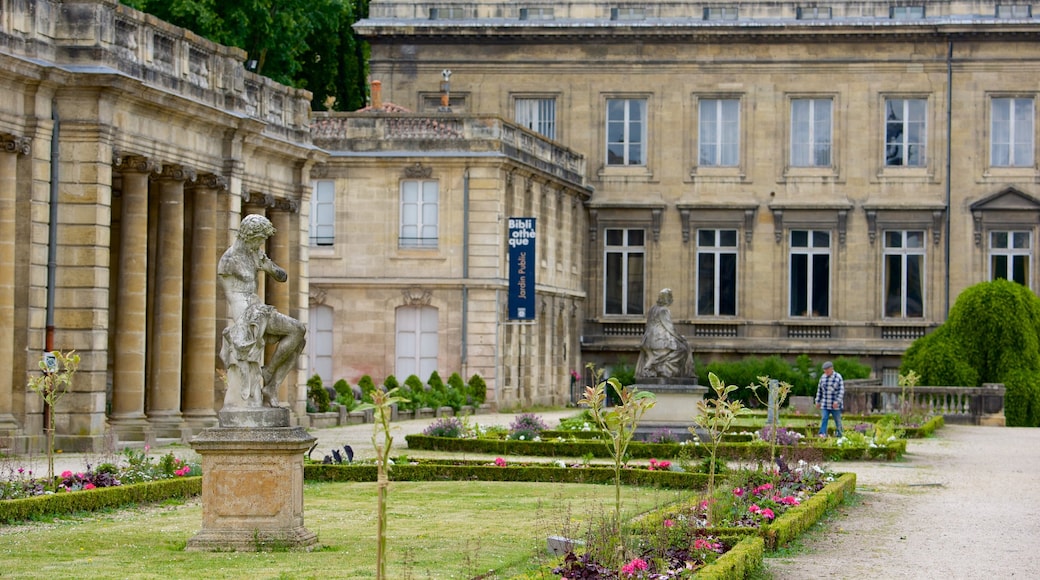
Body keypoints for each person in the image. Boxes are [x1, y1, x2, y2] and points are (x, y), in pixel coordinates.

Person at [218, 214, 306, 408]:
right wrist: (246, 319)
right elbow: (231, 295)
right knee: (296, 331)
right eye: (259, 239)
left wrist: (269, 267)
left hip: (258, 307)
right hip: (245, 312)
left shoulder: (254, 254)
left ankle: (270, 383)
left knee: (298, 335)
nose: (261, 243)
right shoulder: (229, 260)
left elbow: (282, 277)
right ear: (249, 236)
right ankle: (267, 378)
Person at [635, 288, 695, 379]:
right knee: (682, 349)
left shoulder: (653, 308)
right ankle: (666, 370)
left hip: (647, 340)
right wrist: (680, 338)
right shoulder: (664, 310)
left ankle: (651, 369)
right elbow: (670, 328)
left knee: (652, 358)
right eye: (671, 297)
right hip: (659, 340)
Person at [814, 361, 844, 437]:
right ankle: (822, 434)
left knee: (838, 420)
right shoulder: (822, 377)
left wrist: (837, 401)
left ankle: (840, 434)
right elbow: (819, 390)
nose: (826, 371)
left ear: (831, 369)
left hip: (835, 404)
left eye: (827, 370)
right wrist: (817, 401)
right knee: (824, 418)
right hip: (825, 403)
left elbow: (841, 391)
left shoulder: (838, 377)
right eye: (824, 370)